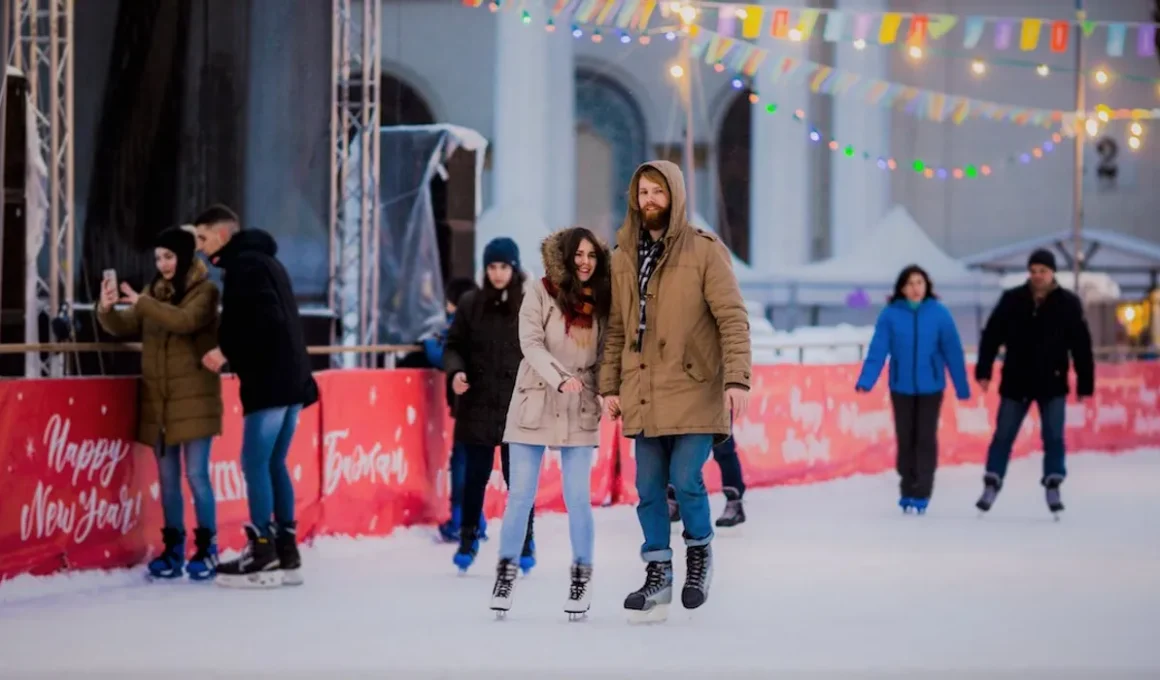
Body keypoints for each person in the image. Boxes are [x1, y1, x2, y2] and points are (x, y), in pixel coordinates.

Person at [598, 161, 751, 622]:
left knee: (686, 478)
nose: (649, 201)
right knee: (647, 487)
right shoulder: (622, 254)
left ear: (676, 197)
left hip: (695, 386)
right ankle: (658, 573)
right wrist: (609, 385)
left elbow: (732, 318)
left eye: (658, 193)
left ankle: (699, 558)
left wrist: (737, 378)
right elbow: (618, 329)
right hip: (644, 389)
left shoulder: (704, 250)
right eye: (643, 192)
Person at [192, 204, 320, 588]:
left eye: (203, 238)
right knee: (274, 462)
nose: (199, 247)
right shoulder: (264, 262)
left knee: (254, 462)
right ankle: (286, 550)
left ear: (222, 235)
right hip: (290, 379)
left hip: (271, 381)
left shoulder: (245, 266)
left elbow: (265, 319)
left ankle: (262, 550)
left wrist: (225, 348)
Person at [489, 227, 611, 620]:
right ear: (565, 257)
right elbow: (531, 343)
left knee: (578, 498)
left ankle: (581, 575)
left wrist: (611, 391)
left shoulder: (604, 299)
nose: (585, 262)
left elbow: (610, 350)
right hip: (535, 398)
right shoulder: (540, 292)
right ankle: (505, 573)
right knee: (521, 496)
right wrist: (559, 376)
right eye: (578, 254)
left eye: (591, 255)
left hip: (581, 401)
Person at [97, 227, 223, 580]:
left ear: (183, 256)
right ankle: (173, 549)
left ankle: (208, 548)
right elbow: (123, 324)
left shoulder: (206, 291)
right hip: (161, 403)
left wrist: (144, 303)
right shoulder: (153, 292)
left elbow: (184, 321)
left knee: (197, 476)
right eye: (157, 258)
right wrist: (106, 308)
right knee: (167, 481)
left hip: (195, 400)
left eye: (168, 256)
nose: (163, 264)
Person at [974, 249, 1094, 516]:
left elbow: (1082, 345)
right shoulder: (1012, 300)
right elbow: (992, 335)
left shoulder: (1068, 304)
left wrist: (1085, 382)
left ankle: (1053, 481)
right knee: (1003, 435)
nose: (1038, 276)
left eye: (1043, 271)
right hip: (1016, 380)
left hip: (1052, 382)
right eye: (1034, 271)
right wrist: (984, 370)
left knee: (1053, 437)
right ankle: (992, 480)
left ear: (1052, 273)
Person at [443, 237, 534, 573]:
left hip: (517, 405)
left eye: (504, 267)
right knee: (474, 476)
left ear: (514, 268)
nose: (498, 274)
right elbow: (453, 345)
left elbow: (541, 348)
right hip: (478, 403)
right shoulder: (470, 303)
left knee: (519, 480)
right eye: (492, 267)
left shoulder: (530, 303)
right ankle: (468, 537)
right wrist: (456, 372)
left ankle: (526, 540)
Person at [854, 265, 971, 514]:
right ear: (902, 288)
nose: (915, 288)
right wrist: (867, 379)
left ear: (927, 285)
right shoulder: (890, 315)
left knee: (925, 439)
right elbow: (878, 349)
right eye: (910, 283)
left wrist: (962, 387)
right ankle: (907, 486)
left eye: (919, 282)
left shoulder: (939, 313)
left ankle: (923, 490)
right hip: (901, 386)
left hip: (931, 387)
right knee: (906, 438)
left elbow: (952, 351)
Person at [421, 277, 492, 544]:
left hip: (469, 409)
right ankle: (475, 522)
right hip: (483, 408)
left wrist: (429, 344)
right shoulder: (484, 323)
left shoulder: (461, 328)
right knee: (472, 466)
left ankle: (463, 523)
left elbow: (442, 356)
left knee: (462, 466)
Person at [668, 434, 747, 527]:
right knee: (676, 445)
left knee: (723, 447)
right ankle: (672, 498)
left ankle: (734, 502)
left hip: (716, 421)